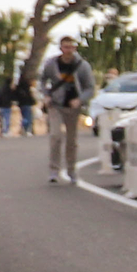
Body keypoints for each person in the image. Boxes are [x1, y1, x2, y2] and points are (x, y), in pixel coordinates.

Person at [40, 36, 94, 183]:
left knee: (71, 140)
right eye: (65, 47)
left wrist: (80, 100)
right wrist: (46, 95)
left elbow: (90, 87)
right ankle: (53, 170)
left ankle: (71, 170)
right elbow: (43, 79)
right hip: (56, 105)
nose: (68, 50)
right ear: (61, 48)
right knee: (55, 136)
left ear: (74, 48)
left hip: (72, 107)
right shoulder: (52, 64)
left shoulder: (82, 66)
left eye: (71, 47)